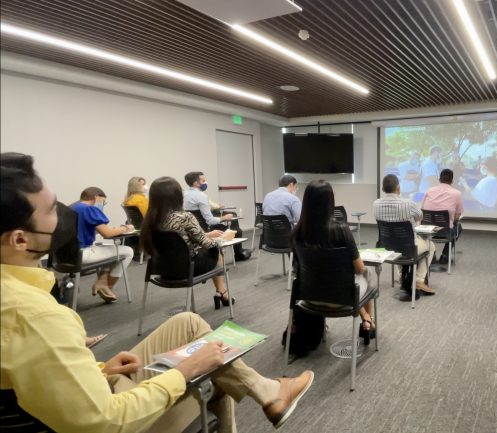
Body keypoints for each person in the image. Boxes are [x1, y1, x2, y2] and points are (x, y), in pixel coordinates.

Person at [0, 152, 314, 432]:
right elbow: (103, 422)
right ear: (19, 240)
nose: (64, 215)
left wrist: (99, 368)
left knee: (189, 323)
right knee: (212, 377)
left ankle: (268, 391)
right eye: (52, 210)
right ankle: (265, 391)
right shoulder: (35, 316)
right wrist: (187, 371)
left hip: (158, 278)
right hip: (107, 417)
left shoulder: (151, 220)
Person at [291, 180, 377, 344]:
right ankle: (368, 322)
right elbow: (359, 269)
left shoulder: (296, 233)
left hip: (308, 299)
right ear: (330, 203)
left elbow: (298, 270)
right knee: (367, 273)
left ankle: (366, 318)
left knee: (331, 278)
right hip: (341, 300)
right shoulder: (341, 230)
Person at [142, 177, 235, 308]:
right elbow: (207, 244)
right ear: (177, 195)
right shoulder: (185, 217)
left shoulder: (149, 221)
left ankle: (221, 292)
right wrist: (219, 241)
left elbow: (177, 239)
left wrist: (205, 236)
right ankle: (222, 292)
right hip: (186, 269)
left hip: (162, 270)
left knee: (210, 250)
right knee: (216, 251)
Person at [373, 174, 436, 301]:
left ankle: (401, 276)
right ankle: (418, 280)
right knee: (431, 246)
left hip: (387, 248)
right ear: (398, 187)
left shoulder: (376, 204)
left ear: (383, 189)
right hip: (408, 247)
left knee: (397, 245)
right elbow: (420, 217)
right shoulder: (409, 204)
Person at [70, 187, 135, 303]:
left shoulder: (72, 207)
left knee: (110, 250)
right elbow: (108, 233)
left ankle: (102, 280)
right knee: (128, 251)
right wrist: (125, 228)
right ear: (96, 197)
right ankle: (107, 287)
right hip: (82, 254)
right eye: (103, 202)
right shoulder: (89, 209)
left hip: (66, 255)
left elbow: (82, 229)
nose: (103, 205)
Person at [183, 171, 250, 261]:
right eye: (203, 181)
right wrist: (224, 218)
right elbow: (209, 220)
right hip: (205, 229)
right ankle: (238, 254)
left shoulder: (183, 194)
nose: (205, 183)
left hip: (190, 229)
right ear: (196, 183)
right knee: (236, 230)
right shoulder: (201, 196)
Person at [421, 169, 464, 264]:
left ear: (439, 179)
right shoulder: (457, 193)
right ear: (452, 181)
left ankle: (432, 254)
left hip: (428, 230)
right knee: (458, 226)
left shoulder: (429, 190)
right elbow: (457, 216)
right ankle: (445, 256)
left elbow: (422, 209)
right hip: (445, 231)